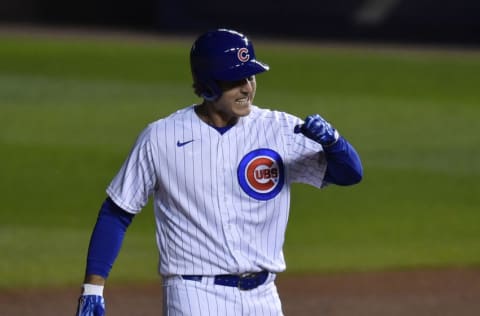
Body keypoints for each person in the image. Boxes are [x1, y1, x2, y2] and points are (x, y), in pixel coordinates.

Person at [76, 28, 363, 316]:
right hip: (194, 295)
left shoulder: (280, 129)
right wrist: (93, 288)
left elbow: (350, 174)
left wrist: (334, 142)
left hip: (264, 297)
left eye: (250, 77)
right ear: (208, 85)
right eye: (235, 80)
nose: (247, 88)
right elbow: (117, 212)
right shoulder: (160, 137)